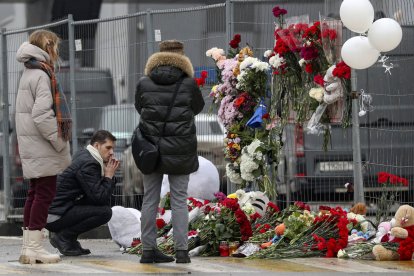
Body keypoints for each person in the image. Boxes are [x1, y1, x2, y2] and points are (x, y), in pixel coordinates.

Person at [135, 40, 205, 263]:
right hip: (180, 148)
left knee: (149, 199)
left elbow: (140, 107)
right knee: (179, 200)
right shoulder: (189, 84)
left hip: (151, 149)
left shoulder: (144, 82)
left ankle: (148, 250)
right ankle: (182, 252)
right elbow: (198, 108)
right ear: (182, 57)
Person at [16, 29, 72, 264]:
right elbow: (41, 115)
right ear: (48, 46)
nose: (57, 51)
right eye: (55, 46)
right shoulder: (41, 74)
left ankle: (30, 246)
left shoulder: (30, 72)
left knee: (35, 193)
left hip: (32, 143)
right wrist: (59, 141)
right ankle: (34, 248)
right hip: (42, 145)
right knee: (44, 193)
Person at [45, 130, 120, 256]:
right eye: (108, 148)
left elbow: (97, 195)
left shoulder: (85, 155)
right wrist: (108, 177)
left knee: (99, 207)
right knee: (105, 212)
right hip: (54, 215)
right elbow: (100, 197)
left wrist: (108, 177)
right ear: (97, 146)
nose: (111, 152)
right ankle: (63, 237)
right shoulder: (89, 163)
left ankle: (69, 240)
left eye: (113, 148)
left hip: (57, 209)